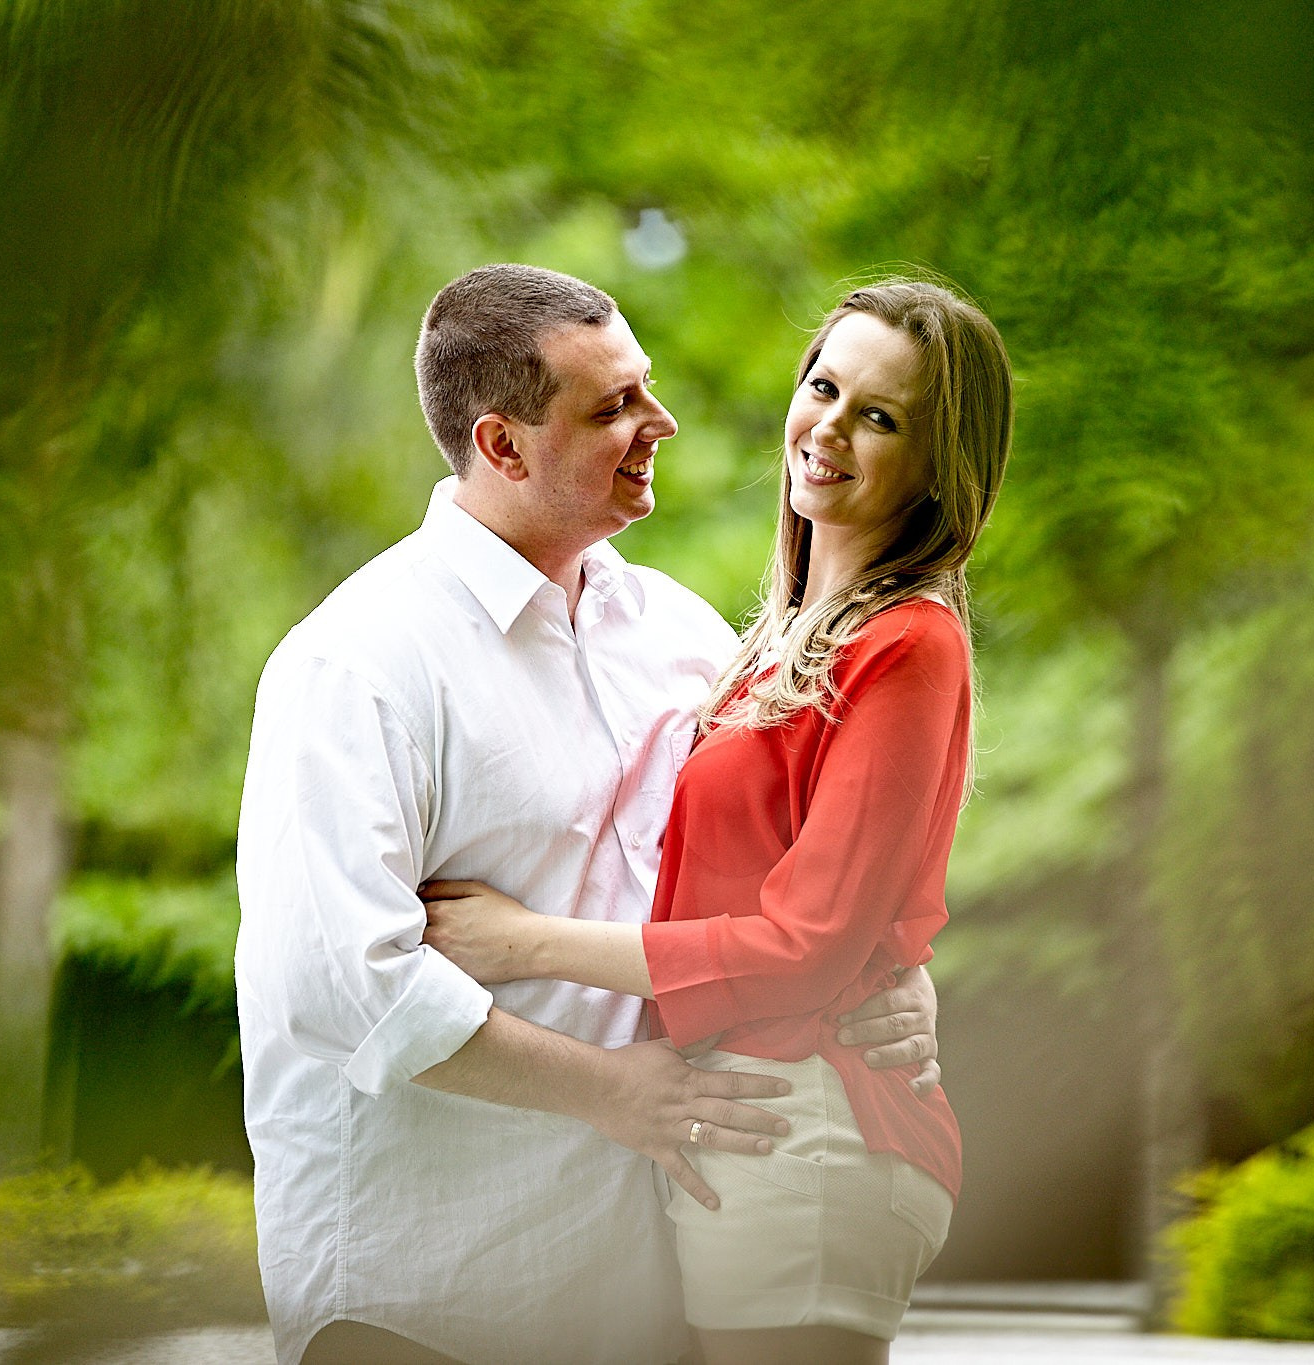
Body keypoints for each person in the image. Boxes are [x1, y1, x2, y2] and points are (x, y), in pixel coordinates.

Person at [234, 264, 944, 1365]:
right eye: (610, 407)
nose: (657, 422)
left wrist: (895, 977)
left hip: (641, 1288)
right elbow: (342, 985)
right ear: (501, 445)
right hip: (425, 1295)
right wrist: (612, 1091)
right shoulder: (357, 662)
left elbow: (796, 877)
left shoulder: (685, 636)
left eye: (644, 388)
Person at [419, 278, 1013, 1365]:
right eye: (823, 387)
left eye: (879, 417)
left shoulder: (907, 644)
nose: (828, 429)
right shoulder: (777, 639)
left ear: (938, 462)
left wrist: (520, 944)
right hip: (750, 1120)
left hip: (805, 1129)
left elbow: (806, 941)